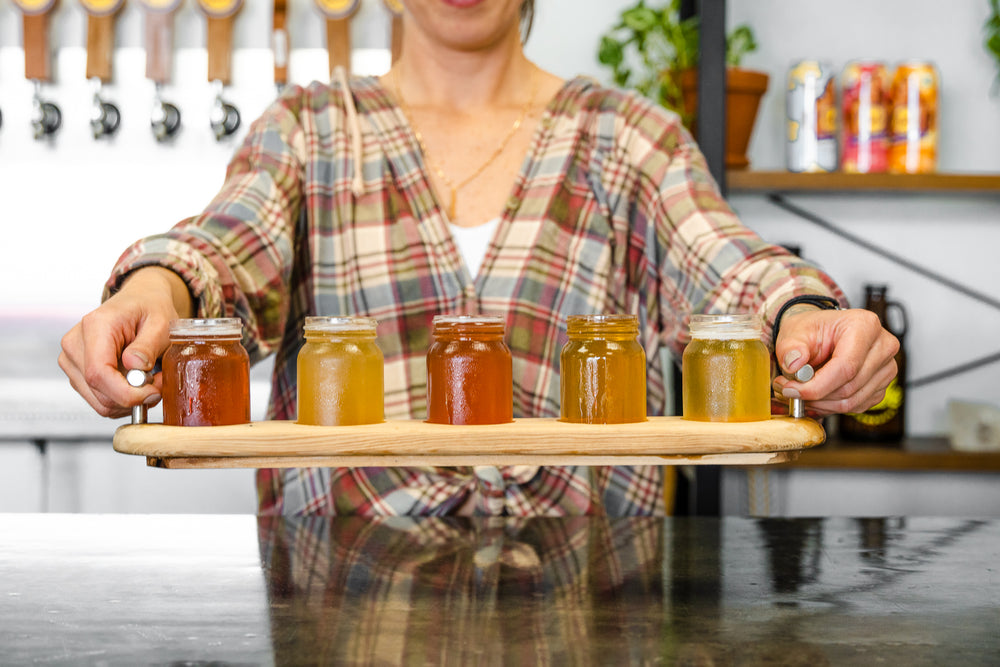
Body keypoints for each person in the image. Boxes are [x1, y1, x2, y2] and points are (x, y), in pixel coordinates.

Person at [59, 0, 898, 516]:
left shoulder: (625, 135)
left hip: (589, 609)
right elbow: (222, 250)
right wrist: (153, 290)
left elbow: (723, 266)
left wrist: (807, 316)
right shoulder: (309, 130)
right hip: (338, 608)